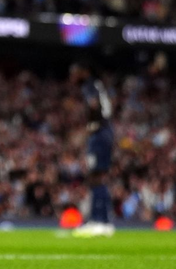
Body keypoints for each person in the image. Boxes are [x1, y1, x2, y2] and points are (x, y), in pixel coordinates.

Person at [72, 66, 115, 238]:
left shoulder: (89, 85)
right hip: (105, 131)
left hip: (99, 133)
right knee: (98, 176)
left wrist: (90, 126)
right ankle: (101, 220)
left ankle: (99, 220)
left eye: (75, 70)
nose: (73, 74)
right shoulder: (97, 84)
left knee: (95, 177)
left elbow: (94, 104)